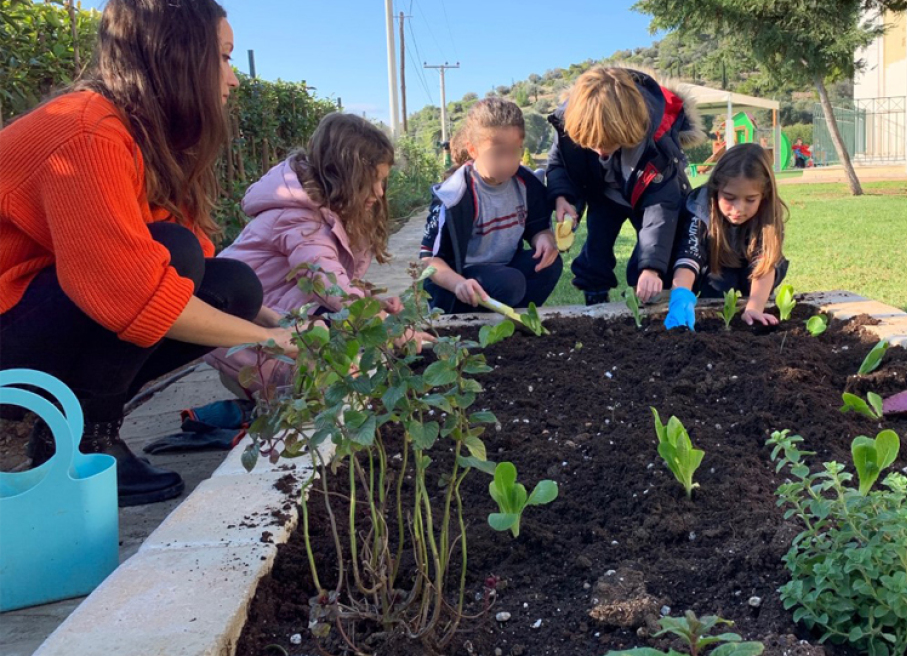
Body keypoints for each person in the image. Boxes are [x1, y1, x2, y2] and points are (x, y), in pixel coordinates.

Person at [0, 0, 295, 505]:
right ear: (176, 58)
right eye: (223, 58)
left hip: (30, 317)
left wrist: (279, 321)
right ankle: (83, 443)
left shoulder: (132, 132)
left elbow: (194, 264)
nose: (233, 79)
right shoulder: (85, 132)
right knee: (172, 258)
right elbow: (131, 291)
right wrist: (276, 342)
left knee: (233, 287)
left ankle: (71, 433)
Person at [205, 113, 432, 397]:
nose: (378, 192)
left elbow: (334, 286)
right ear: (341, 176)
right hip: (246, 341)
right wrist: (392, 327)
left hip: (285, 322)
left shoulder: (333, 212)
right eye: (369, 182)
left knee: (358, 360)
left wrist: (374, 304)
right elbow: (331, 289)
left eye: (382, 182)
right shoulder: (297, 219)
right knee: (343, 385)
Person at [546, 67, 705, 305]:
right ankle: (595, 296)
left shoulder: (658, 145)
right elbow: (559, 164)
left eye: (608, 143)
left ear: (629, 129)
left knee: (648, 258)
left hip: (649, 195)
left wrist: (651, 268)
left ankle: (643, 293)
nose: (600, 151)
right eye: (592, 144)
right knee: (596, 249)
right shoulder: (571, 124)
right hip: (604, 194)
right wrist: (563, 197)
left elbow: (661, 210)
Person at [420, 98, 562, 314]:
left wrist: (544, 239)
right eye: (497, 153)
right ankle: (469, 322)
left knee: (550, 264)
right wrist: (458, 284)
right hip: (460, 281)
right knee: (511, 283)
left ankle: (516, 321)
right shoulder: (454, 196)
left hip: (505, 268)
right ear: (473, 149)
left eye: (515, 151)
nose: (507, 162)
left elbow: (537, 226)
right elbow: (430, 261)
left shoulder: (526, 183)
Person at [664, 143, 789, 330]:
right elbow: (689, 255)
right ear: (715, 189)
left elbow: (765, 263)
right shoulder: (699, 206)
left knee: (761, 279)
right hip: (716, 265)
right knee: (717, 285)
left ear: (764, 195)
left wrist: (755, 307)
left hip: (753, 269)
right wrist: (680, 297)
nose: (739, 209)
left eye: (750, 200)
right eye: (729, 198)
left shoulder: (769, 212)